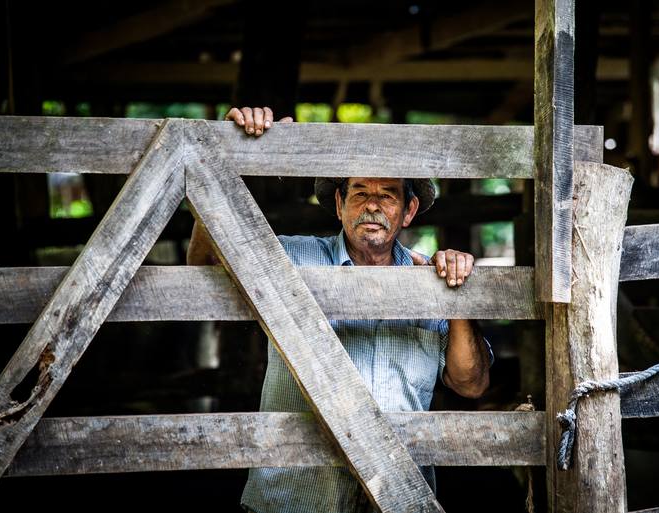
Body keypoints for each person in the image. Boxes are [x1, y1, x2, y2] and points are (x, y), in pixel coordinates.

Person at [187, 106, 493, 513]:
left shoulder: (430, 278)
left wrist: (456, 296)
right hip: (290, 501)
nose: (372, 205)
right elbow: (204, 263)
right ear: (338, 203)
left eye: (387, 194)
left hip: (397, 500)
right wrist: (232, 154)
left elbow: (470, 384)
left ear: (409, 210)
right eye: (360, 191)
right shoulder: (293, 257)